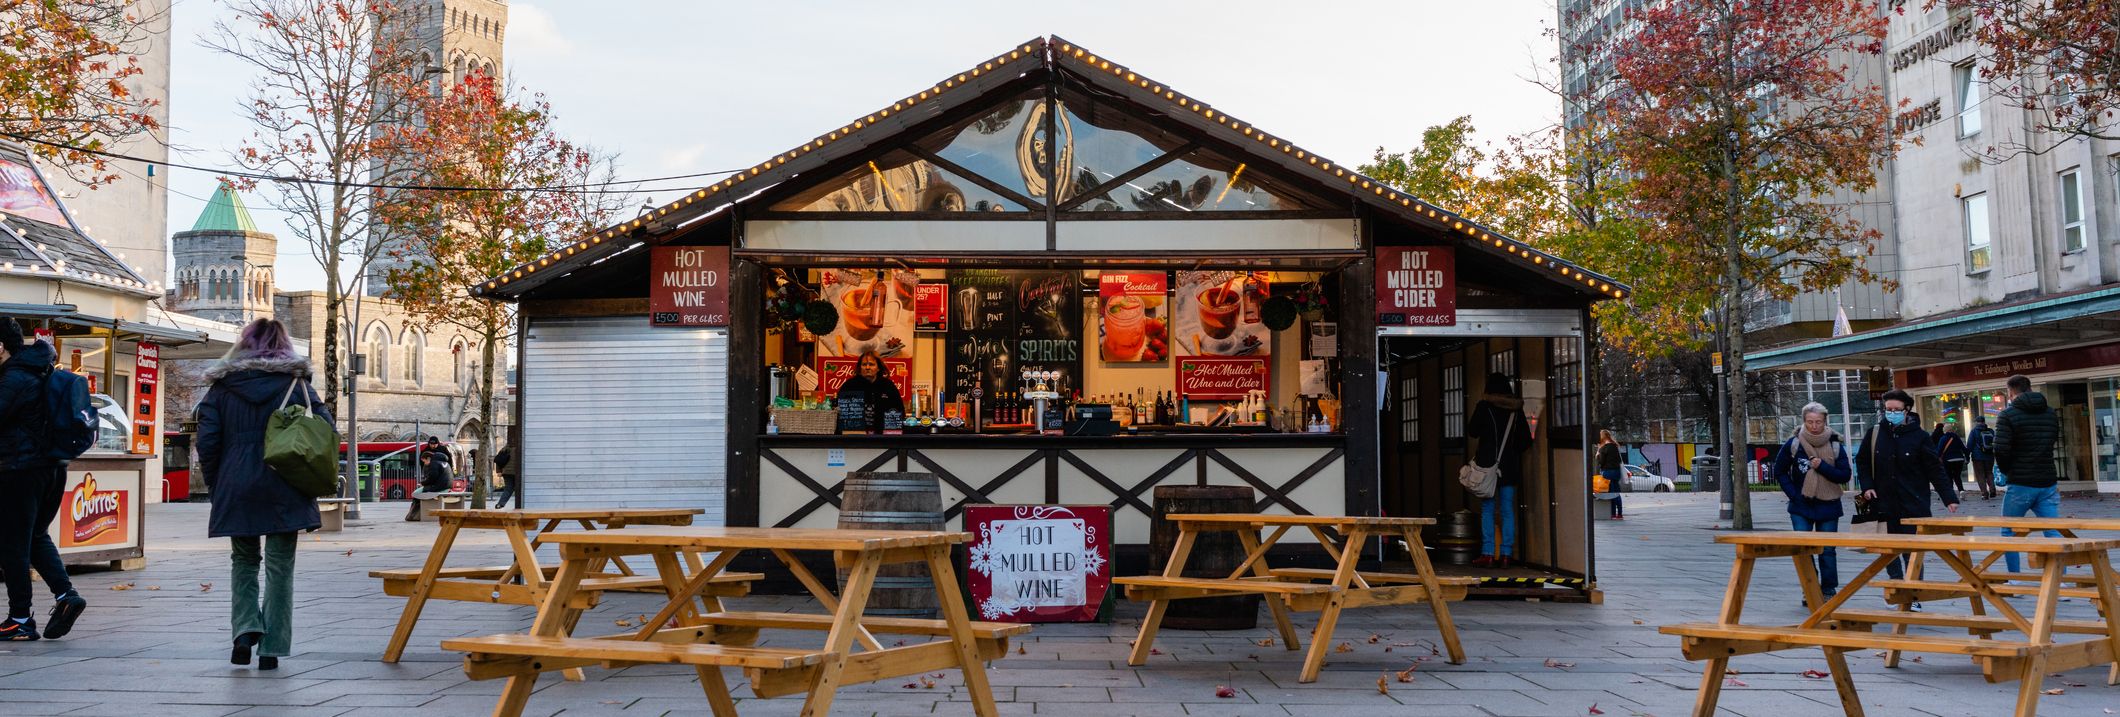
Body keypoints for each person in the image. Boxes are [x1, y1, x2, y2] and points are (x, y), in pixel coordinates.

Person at [195, 318, 327, 669]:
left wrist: (217, 484)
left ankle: (244, 631)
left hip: (236, 484)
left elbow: (207, 443)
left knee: (243, 560)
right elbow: (325, 432)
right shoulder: (298, 386)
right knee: (281, 567)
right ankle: (272, 648)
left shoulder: (221, 389)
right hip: (286, 482)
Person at [0, 318, 88, 641]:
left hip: (20, 471)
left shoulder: (14, 378)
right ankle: (67, 596)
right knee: (35, 535)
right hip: (50, 469)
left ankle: (20, 619)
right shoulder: (36, 370)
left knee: (12, 544)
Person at [1855, 389, 1960, 585]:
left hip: (1913, 502)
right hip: (1883, 502)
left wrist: (1949, 498)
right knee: (1887, 550)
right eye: (1888, 409)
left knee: (1913, 550)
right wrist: (1867, 486)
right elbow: (1862, 462)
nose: (1891, 413)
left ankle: (1914, 590)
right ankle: (1895, 585)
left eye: (1896, 409)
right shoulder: (1875, 433)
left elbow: (1934, 469)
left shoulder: (1919, 436)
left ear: (1907, 410)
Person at [1773, 403, 1852, 599]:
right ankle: (1809, 588)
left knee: (1827, 550)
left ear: (1825, 421)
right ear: (1804, 421)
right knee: (1803, 549)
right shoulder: (1794, 444)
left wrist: (1823, 467)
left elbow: (1844, 475)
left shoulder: (1834, 444)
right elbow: (1780, 471)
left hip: (1829, 504)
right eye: (1810, 422)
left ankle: (1828, 589)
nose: (1814, 426)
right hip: (1801, 505)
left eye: (1818, 422)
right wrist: (1794, 494)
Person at [1992, 374, 2061, 575]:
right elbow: (2052, 442)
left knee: (2009, 530)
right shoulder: (2050, 413)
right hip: (2047, 479)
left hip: (2020, 481)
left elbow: (2000, 449)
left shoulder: (2007, 415)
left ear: (2011, 391)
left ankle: (2014, 577)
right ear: (2029, 388)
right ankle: (2060, 578)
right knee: (2053, 530)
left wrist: (2007, 471)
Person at [1469, 373, 1532, 568]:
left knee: (1487, 509)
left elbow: (1473, 431)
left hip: (1487, 468)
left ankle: (1487, 553)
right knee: (1507, 511)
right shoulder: (1516, 410)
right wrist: (1510, 452)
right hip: (1509, 467)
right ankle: (1506, 554)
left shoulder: (1483, 407)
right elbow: (1525, 440)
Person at [836, 350, 905, 433]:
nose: (867, 367)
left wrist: (891, 436)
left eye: (871, 364)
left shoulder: (888, 385)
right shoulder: (850, 385)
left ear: (878, 368)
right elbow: (841, 413)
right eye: (864, 364)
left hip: (883, 437)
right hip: (856, 437)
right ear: (859, 367)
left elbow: (899, 411)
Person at [405, 450, 454, 521]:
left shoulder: (434, 463)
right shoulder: (445, 463)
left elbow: (432, 477)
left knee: (415, 494)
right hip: (446, 486)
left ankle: (413, 516)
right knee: (420, 492)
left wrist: (423, 483)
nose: (424, 463)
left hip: (438, 488)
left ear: (428, 458)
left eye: (424, 461)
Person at [1596, 430, 1625, 520]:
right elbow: (1619, 460)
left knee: (1610, 493)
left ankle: (1612, 514)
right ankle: (1619, 513)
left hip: (1608, 472)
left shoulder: (1604, 448)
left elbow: (1601, 462)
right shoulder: (1615, 446)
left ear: (1602, 437)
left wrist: (1598, 455)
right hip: (1616, 472)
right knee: (1616, 493)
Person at [1967, 414, 1997, 500]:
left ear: (1977, 422)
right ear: (1984, 422)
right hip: (1989, 456)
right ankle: (1992, 490)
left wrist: (1967, 455)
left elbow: (1970, 445)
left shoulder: (1974, 431)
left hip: (1977, 457)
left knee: (1980, 475)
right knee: (1989, 472)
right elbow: (1995, 442)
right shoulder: (1991, 431)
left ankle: (1984, 493)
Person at [1933, 420, 1968, 493]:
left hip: (1948, 460)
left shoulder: (1943, 438)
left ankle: (1951, 492)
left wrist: (1937, 459)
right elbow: (1964, 449)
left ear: (1944, 430)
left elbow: (1939, 450)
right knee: (1957, 476)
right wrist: (1967, 458)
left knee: (1949, 477)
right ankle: (1961, 490)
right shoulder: (1957, 438)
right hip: (1959, 459)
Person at [491, 432, 519, 509]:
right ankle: (520, 506)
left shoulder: (504, 449)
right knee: (519, 488)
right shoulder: (519, 449)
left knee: (508, 488)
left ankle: (500, 504)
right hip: (516, 472)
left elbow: (498, 460)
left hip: (506, 472)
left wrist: (499, 471)